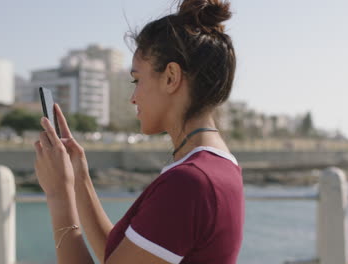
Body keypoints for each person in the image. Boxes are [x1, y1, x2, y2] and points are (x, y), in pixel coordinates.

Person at [33, 0, 244, 263]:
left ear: (171, 77)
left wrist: (58, 196)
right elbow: (118, 256)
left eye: (137, 80)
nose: (133, 97)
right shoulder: (217, 167)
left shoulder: (190, 184)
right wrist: (79, 180)